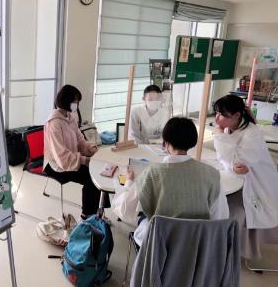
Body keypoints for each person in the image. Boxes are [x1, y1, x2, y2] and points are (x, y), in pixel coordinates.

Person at [112, 117, 229, 246]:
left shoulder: (152, 173)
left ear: (165, 143)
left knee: (144, 217)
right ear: (192, 142)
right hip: (196, 247)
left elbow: (124, 209)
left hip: (158, 246)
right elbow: (220, 217)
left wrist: (129, 182)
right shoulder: (212, 174)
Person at [213, 95, 278, 259]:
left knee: (233, 208)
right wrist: (232, 165)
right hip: (240, 177)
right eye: (216, 113)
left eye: (222, 115)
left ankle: (236, 249)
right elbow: (231, 163)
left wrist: (220, 136)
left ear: (236, 116)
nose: (217, 118)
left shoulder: (251, 133)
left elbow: (238, 163)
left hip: (258, 182)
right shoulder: (231, 128)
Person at [44, 85, 109, 219]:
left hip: (70, 159)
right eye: (75, 101)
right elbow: (61, 156)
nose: (76, 105)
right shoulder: (54, 124)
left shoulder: (69, 117)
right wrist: (84, 160)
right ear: (66, 101)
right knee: (92, 177)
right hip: (56, 166)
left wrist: (90, 150)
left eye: (77, 101)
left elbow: (80, 139)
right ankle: (87, 215)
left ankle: (99, 210)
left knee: (100, 171)